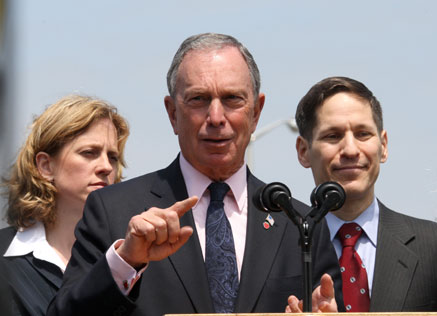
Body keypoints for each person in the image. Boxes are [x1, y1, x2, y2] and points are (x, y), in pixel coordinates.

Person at [48, 33, 344, 316]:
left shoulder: (300, 227)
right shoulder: (113, 212)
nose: (216, 118)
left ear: (256, 112)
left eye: (232, 99)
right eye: (199, 99)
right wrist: (126, 261)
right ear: (172, 113)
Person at [293, 76, 437, 312]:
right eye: (333, 136)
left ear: (383, 146)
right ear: (304, 151)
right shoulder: (278, 250)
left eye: (363, 134)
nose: (350, 150)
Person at [0, 95, 129, 315]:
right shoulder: (3, 257)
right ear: (45, 166)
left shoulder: (128, 260)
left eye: (113, 157)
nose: (106, 167)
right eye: (89, 153)